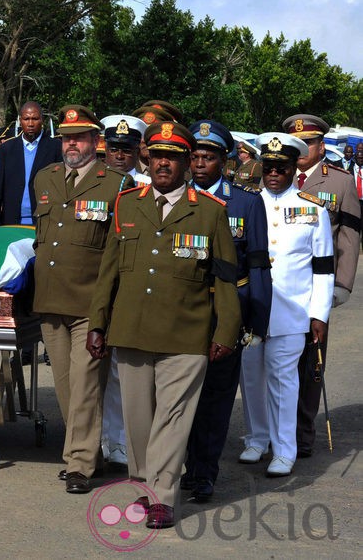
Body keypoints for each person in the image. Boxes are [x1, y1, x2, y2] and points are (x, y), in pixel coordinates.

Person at [87, 120, 241, 529]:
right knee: (139, 421)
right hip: (132, 330)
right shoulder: (126, 204)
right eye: (157, 156)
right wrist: (97, 324)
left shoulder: (209, 212)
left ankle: (163, 498)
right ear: (146, 158)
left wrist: (226, 332)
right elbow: (109, 273)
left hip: (186, 334)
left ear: (186, 163)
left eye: (172, 158)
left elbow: (225, 279)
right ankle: (145, 484)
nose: (163, 164)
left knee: (173, 419)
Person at [30, 105, 133, 494]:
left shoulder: (116, 183)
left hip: (91, 303)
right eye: (66, 137)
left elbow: (118, 251)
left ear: (95, 141)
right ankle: (91, 452)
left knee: (87, 384)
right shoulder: (46, 177)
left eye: (79, 137)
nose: (71, 143)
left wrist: (108, 310)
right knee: (67, 387)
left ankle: (79, 465)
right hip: (51, 299)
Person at [181, 120, 271, 501]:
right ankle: (184, 466)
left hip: (225, 316)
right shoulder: (174, 199)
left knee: (217, 400)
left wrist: (256, 319)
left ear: (225, 160)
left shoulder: (246, 203)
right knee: (181, 398)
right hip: (182, 315)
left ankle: (205, 473)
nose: (201, 163)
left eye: (209, 156)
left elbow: (258, 265)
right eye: (196, 156)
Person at [240, 132, 333, 478]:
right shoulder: (247, 203)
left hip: (291, 312)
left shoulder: (313, 208)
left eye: (282, 167)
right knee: (250, 378)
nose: (274, 174)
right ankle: (256, 439)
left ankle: (284, 449)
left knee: (283, 381)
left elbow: (323, 268)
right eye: (269, 168)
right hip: (251, 311)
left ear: (295, 168)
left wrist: (318, 314)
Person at [281, 114, 360, 458]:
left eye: (309, 143)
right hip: (278, 284)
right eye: (296, 142)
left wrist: (341, 285)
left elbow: (350, 235)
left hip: (317, 285)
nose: (302, 149)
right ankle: (273, 431)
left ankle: (302, 432)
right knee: (271, 361)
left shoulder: (339, 183)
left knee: (310, 361)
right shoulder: (273, 175)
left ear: (321, 145)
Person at [96, 113, 148, 470]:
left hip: (134, 286)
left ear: (137, 151)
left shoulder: (148, 185)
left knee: (128, 372)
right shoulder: (94, 182)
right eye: (113, 148)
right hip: (100, 284)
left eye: (126, 150)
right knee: (102, 371)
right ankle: (104, 441)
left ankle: (125, 442)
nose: (119, 156)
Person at [0, 101, 63, 226]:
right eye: (26, 119)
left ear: (42, 120)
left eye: (35, 119)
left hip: (45, 222)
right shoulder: (7, 149)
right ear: (20, 120)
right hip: (11, 222)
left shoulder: (55, 147)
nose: (31, 123)